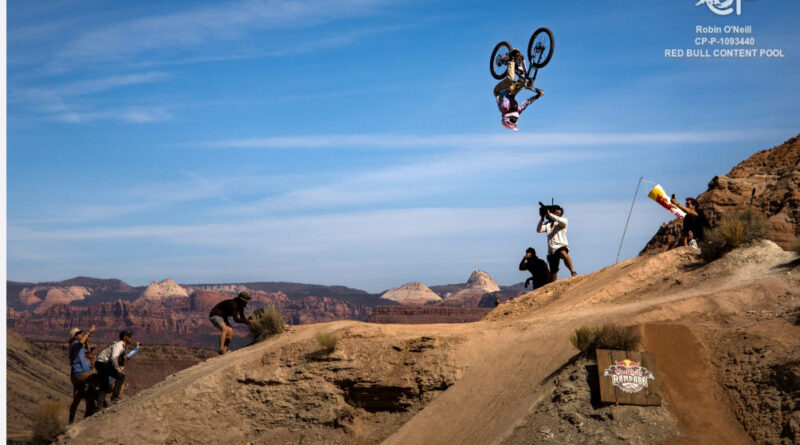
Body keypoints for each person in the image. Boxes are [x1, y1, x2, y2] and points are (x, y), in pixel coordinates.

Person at [493, 48, 544, 131]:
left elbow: (501, 94)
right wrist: (537, 95)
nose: (515, 119)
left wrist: (509, 88)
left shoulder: (504, 108)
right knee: (524, 81)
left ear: (506, 119)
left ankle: (511, 59)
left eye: (512, 120)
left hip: (499, 91)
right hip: (511, 93)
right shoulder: (517, 110)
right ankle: (519, 64)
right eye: (515, 121)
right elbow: (527, 103)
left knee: (510, 79)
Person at [536, 205, 577, 281]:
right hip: (551, 250)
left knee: (563, 253)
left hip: (561, 245)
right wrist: (542, 218)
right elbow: (539, 230)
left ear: (561, 212)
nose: (556, 211)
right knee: (553, 274)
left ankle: (572, 271)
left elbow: (558, 219)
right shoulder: (548, 224)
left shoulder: (563, 220)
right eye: (555, 209)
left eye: (558, 209)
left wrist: (549, 214)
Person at [94, 330, 133, 407]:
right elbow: (114, 357)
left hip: (102, 363)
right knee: (120, 376)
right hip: (102, 363)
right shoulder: (119, 345)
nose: (131, 338)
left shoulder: (121, 346)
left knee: (105, 384)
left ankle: (100, 405)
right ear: (125, 337)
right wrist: (119, 370)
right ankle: (114, 398)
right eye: (129, 336)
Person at [68, 326, 98, 423]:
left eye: (81, 333)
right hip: (80, 373)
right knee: (96, 380)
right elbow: (81, 342)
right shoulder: (74, 344)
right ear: (74, 336)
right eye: (78, 333)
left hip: (77, 374)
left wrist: (90, 354)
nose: (81, 334)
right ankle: (94, 409)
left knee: (77, 397)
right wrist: (89, 332)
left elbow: (87, 353)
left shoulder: (78, 347)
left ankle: (71, 421)